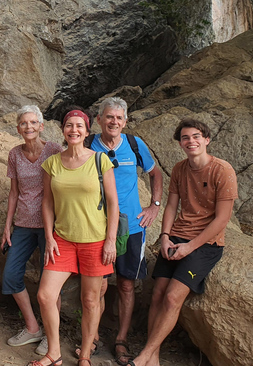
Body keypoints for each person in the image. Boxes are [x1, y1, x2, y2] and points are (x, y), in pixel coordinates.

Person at [126, 118, 237, 366]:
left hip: (206, 244)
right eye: (185, 138)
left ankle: (144, 355)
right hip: (176, 236)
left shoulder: (222, 170)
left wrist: (191, 246)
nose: (191, 141)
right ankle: (152, 356)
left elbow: (221, 220)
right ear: (180, 143)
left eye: (196, 136)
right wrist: (164, 236)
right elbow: (171, 206)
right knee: (157, 295)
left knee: (173, 297)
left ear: (206, 140)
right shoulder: (179, 169)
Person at [35, 107, 118, 366]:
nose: (74, 130)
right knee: (46, 295)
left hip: (95, 240)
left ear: (86, 131)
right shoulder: (52, 163)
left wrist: (111, 240)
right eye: (69, 125)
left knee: (91, 300)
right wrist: (49, 237)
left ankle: (84, 355)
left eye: (79, 126)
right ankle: (54, 353)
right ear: (63, 130)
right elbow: (47, 204)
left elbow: (113, 204)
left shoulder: (100, 160)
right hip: (63, 240)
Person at [87, 97, 163, 365]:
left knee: (127, 285)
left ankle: (121, 339)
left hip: (131, 226)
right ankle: (92, 336)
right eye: (109, 117)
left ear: (125, 122)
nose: (114, 122)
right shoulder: (88, 144)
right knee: (97, 285)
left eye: (119, 118)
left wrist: (154, 206)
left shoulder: (134, 144)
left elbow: (155, 173)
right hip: (96, 226)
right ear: (99, 119)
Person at [1, 106, 63, 353]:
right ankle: (32, 327)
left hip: (51, 226)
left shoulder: (55, 150)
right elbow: (14, 193)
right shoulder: (15, 154)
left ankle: (51, 334)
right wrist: (8, 226)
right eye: (23, 123)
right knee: (11, 276)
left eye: (33, 122)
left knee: (49, 283)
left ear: (41, 126)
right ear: (18, 128)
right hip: (24, 225)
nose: (28, 127)